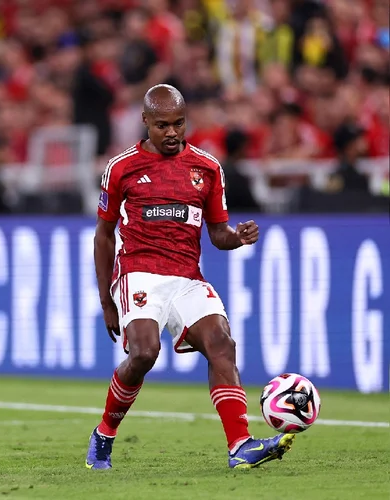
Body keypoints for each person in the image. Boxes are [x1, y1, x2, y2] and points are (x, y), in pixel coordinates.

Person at [85, 84, 296, 470]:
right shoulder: (121, 168)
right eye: (162, 124)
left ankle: (240, 446)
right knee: (145, 353)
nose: (171, 132)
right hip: (139, 273)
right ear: (145, 122)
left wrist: (237, 237)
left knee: (222, 343)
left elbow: (218, 234)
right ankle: (104, 434)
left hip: (186, 277)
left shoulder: (207, 168)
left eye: (179, 123)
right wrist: (106, 299)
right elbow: (103, 234)